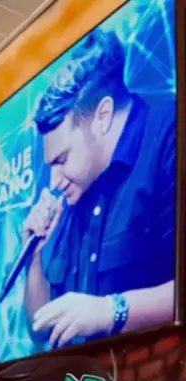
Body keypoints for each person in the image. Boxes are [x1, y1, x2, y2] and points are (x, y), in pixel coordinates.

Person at [22, 28, 175, 349]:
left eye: (61, 159)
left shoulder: (170, 135)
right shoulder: (76, 191)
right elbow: (40, 329)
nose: (53, 181)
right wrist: (33, 260)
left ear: (102, 116)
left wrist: (110, 312)